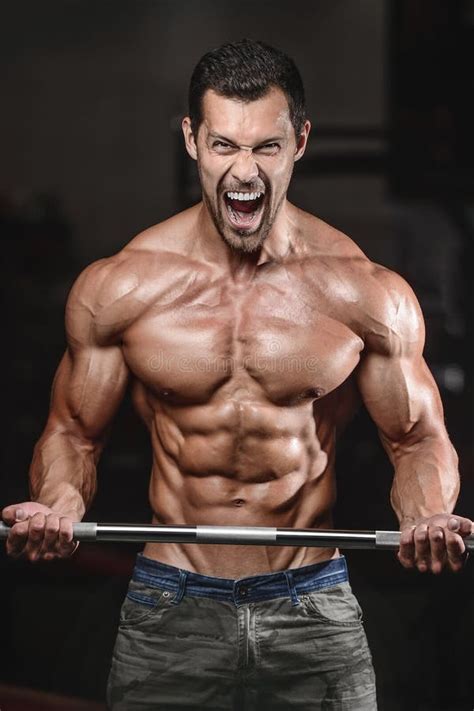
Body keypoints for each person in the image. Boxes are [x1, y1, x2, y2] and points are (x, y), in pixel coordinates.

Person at [2, 39, 472, 711]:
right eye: (224, 145)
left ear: (300, 141)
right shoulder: (122, 286)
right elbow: (73, 436)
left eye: (266, 148)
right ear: (192, 140)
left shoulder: (365, 291)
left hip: (311, 607)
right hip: (171, 608)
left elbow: (418, 437)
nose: (243, 171)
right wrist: (60, 507)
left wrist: (428, 514)